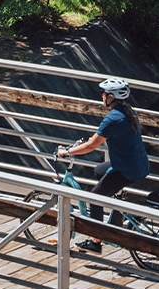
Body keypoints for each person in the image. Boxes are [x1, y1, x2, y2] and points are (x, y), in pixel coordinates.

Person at [55, 77, 150, 254]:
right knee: (98, 170)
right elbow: (100, 137)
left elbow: (92, 146)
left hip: (127, 169)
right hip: (138, 163)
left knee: (94, 198)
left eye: (103, 93)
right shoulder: (129, 111)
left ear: (110, 97)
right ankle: (115, 216)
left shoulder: (113, 119)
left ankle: (96, 241)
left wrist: (67, 152)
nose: (101, 95)